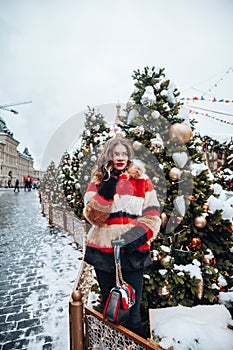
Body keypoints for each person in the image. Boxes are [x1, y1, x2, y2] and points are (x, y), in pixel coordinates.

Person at [83, 137, 161, 338]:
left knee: (132, 314)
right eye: (116, 153)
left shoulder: (143, 181)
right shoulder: (98, 181)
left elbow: (152, 216)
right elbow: (94, 217)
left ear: (129, 156)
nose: (120, 157)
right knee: (112, 311)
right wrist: (106, 190)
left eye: (124, 154)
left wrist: (132, 238)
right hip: (103, 255)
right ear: (109, 155)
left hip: (133, 253)